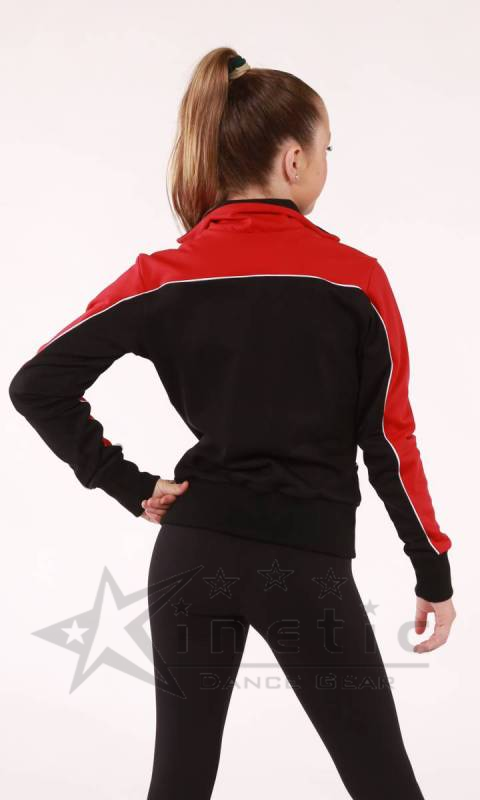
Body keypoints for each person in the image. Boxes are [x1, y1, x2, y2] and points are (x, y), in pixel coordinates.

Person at [8, 46, 456, 799]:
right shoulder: (355, 280)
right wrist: (431, 567)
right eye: (327, 150)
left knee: (179, 784)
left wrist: (128, 484)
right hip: (305, 566)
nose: (325, 164)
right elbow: (388, 440)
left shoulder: (165, 274)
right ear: (292, 160)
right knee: (385, 784)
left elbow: (36, 385)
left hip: (193, 555)